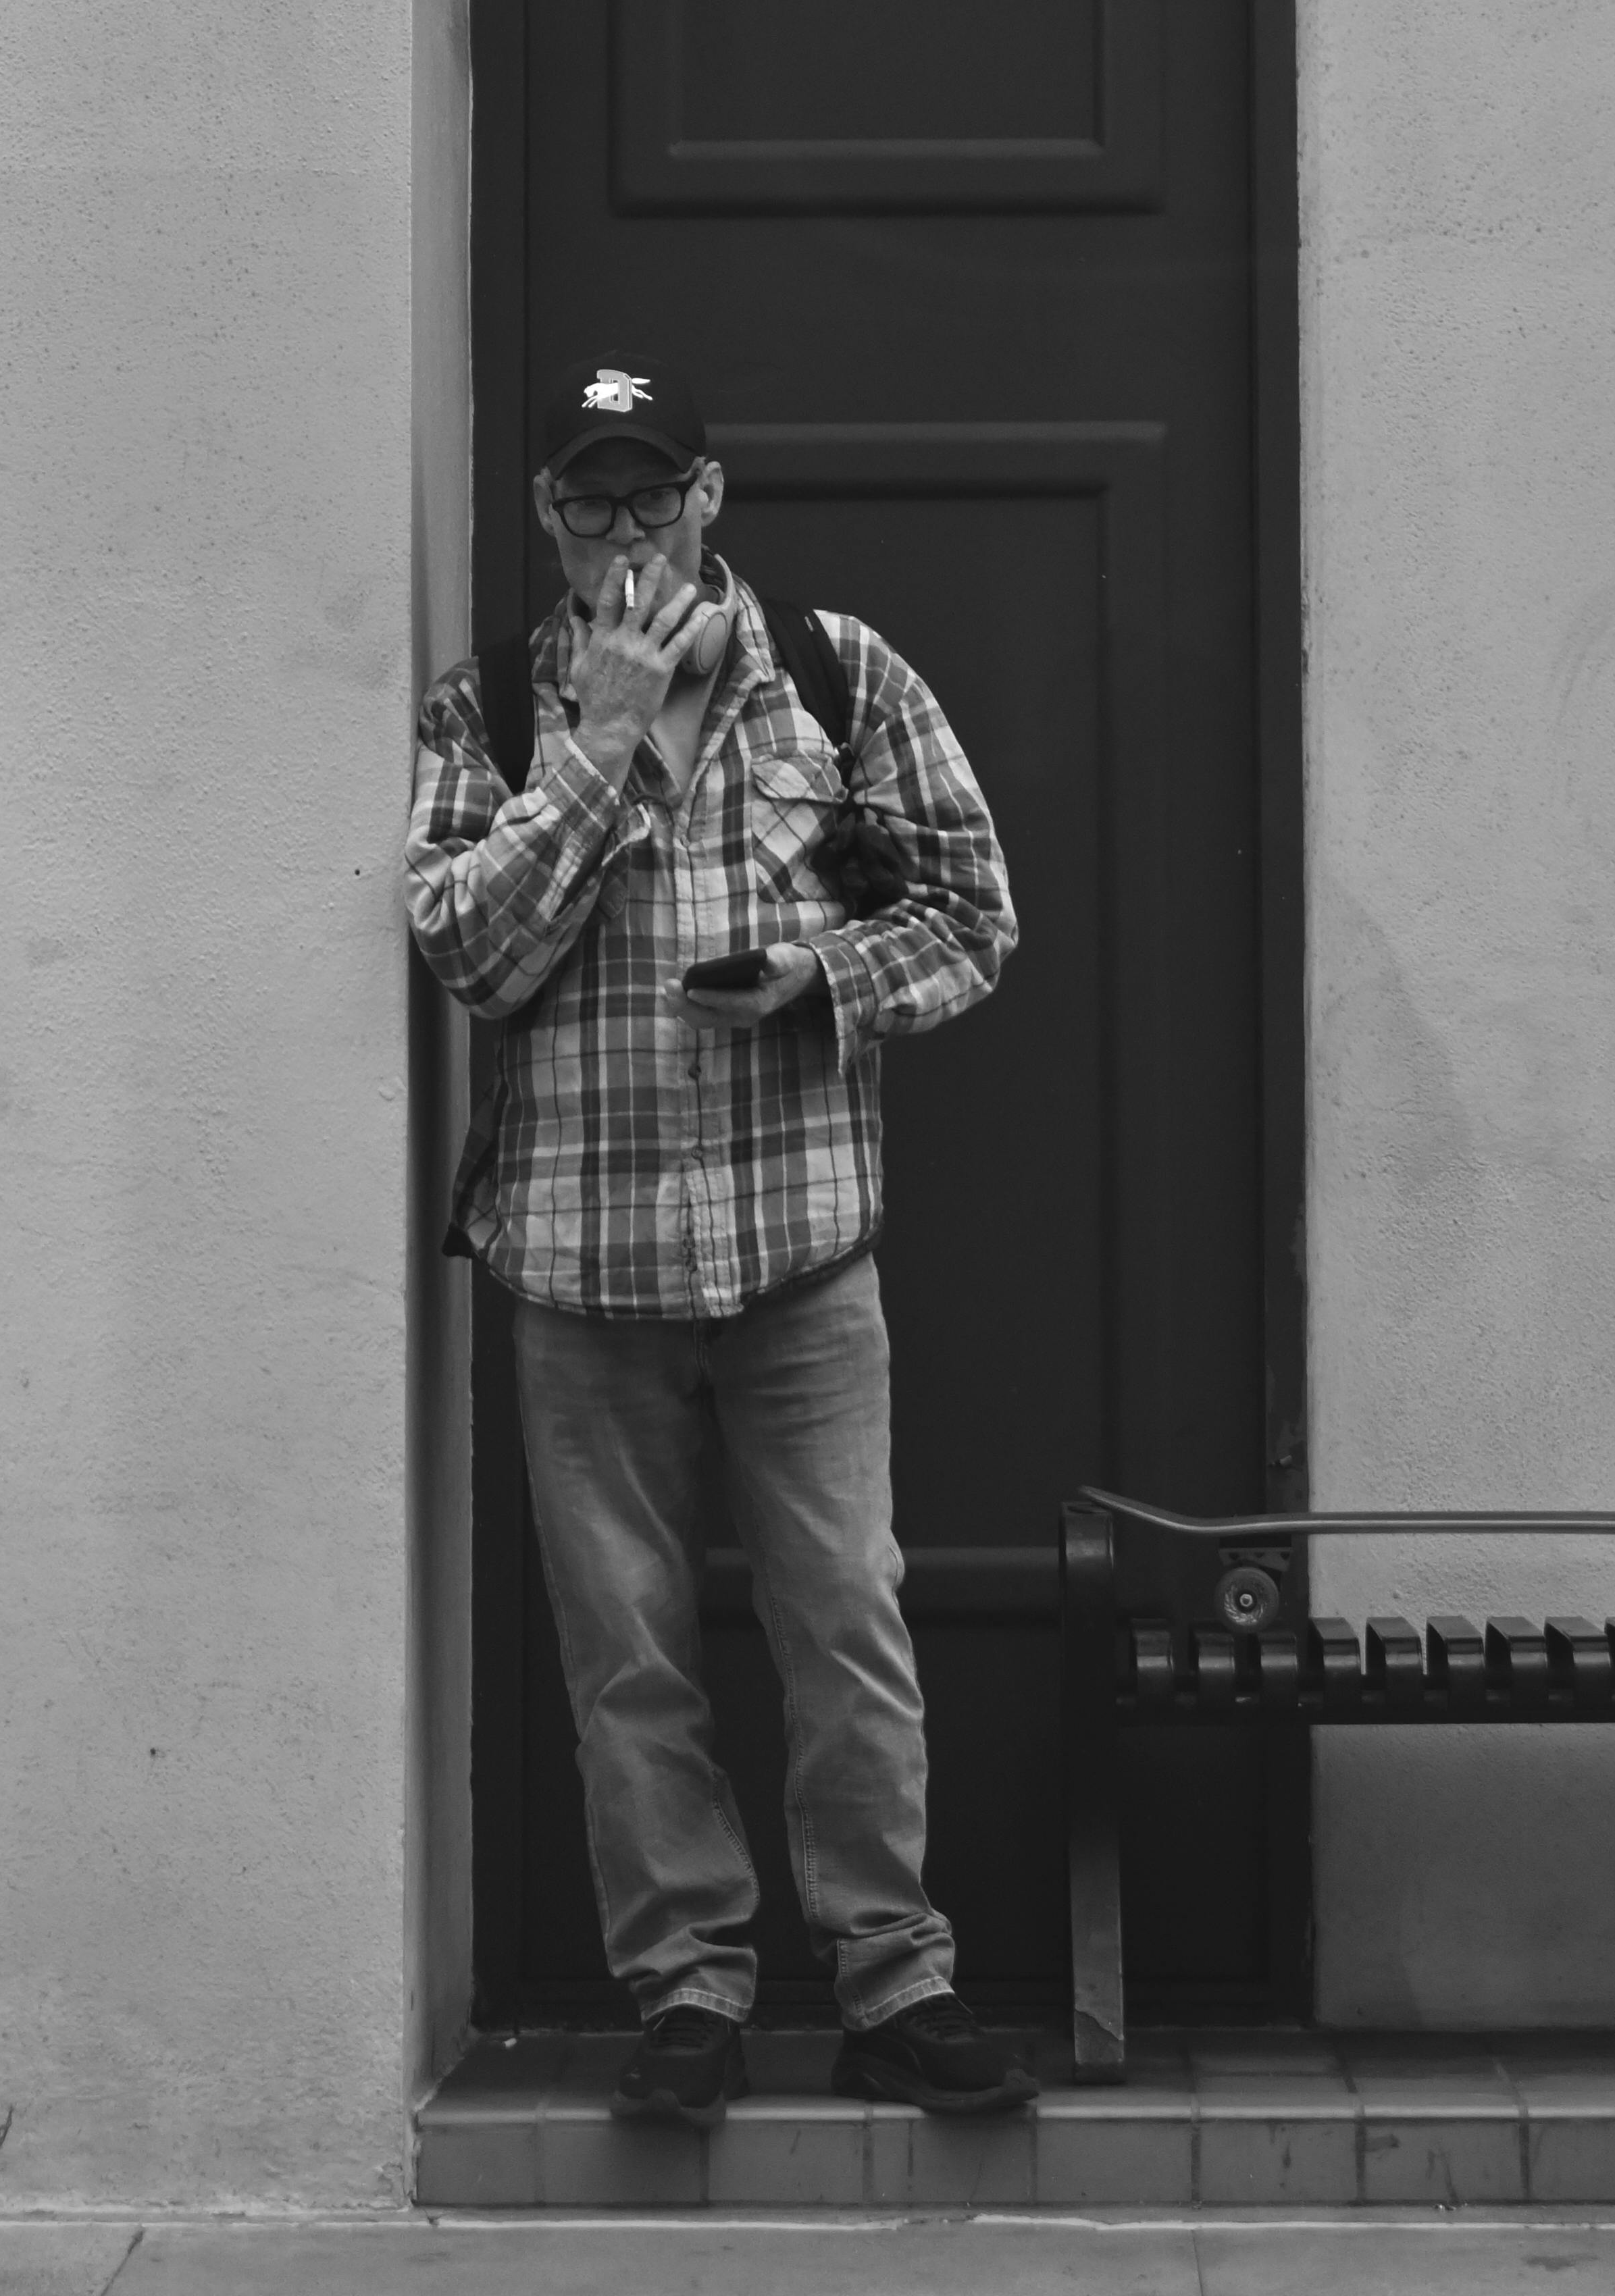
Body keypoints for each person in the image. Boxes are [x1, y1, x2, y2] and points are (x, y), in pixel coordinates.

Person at [405, 350, 1035, 2128]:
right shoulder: (494, 717)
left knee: (848, 1620)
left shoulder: (838, 676)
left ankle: (892, 1979)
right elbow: (470, 952)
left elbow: (973, 912)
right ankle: (684, 1988)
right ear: (546, 513)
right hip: (578, 1265)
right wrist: (600, 751)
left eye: (652, 492)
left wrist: (821, 981)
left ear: (711, 493)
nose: (625, 531)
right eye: (587, 498)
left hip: (797, 1250)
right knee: (629, 1654)